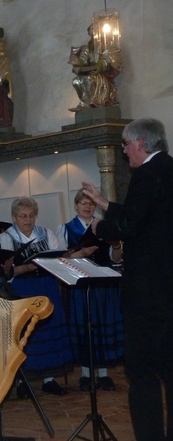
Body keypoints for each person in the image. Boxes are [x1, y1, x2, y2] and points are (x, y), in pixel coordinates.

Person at [81, 118, 173, 441]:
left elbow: (130, 227)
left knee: (143, 375)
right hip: (168, 291)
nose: (123, 151)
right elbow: (145, 217)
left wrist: (99, 227)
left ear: (141, 143)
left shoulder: (145, 175)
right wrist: (106, 203)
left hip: (147, 297)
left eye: (125, 144)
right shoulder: (168, 169)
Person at [0, 196, 73, 396]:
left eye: (31, 215)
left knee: (48, 331)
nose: (28, 220)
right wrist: (26, 267)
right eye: (23, 216)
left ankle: (49, 378)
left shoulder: (46, 234)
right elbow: (5, 272)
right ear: (14, 217)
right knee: (25, 334)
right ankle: (23, 380)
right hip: (22, 288)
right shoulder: (6, 238)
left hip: (46, 286)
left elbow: (57, 261)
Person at [56, 189, 123, 391]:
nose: (87, 206)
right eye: (83, 203)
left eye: (91, 203)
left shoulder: (104, 226)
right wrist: (81, 253)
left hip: (103, 285)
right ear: (76, 205)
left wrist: (117, 244)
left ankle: (103, 373)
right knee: (84, 326)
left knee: (102, 326)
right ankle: (86, 374)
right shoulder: (65, 229)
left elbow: (115, 258)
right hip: (80, 284)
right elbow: (60, 259)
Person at [69, 24, 121, 112]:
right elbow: (84, 60)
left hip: (101, 76)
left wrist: (99, 66)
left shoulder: (107, 45)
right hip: (90, 73)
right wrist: (78, 62)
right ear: (89, 33)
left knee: (90, 79)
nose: (94, 31)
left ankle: (87, 104)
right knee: (76, 81)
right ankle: (86, 102)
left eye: (96, 29)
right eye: (92, 29)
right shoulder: (88, 48)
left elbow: (110, 59)